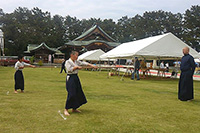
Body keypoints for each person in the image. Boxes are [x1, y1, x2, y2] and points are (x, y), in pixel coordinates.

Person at [64, 51, 97, 116]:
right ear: (72, 55)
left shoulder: (76, 62)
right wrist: (76, 67)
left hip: (76, 77)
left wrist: (91, 65)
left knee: (78, 92)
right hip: (70, 78)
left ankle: (74, 108)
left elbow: (82, 63)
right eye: (76, 55)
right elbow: (69, 69)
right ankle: (66, 109)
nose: (77, 57)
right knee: (71, 93)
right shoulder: (68, 62)